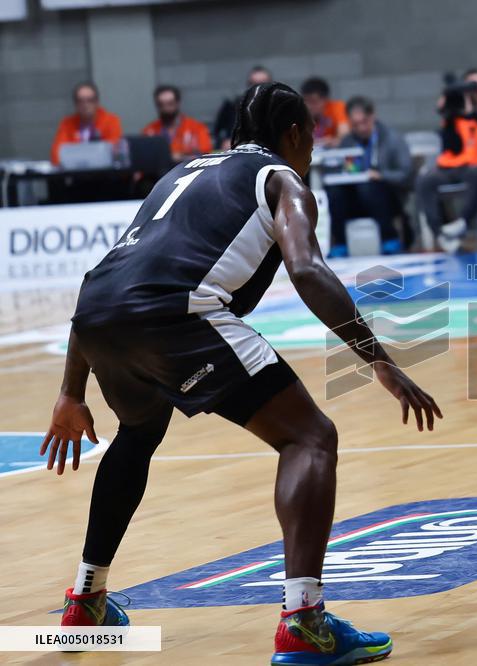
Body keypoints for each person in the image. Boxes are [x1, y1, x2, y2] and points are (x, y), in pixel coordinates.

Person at [42, 82, 442, 665]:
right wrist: (379, 360)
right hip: (175, 313)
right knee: (310, 436)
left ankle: (86, 602)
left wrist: (69, 391)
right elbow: (308, 272)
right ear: (296, 135)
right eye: (309, 140)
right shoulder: (283, 178)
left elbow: (108, 278)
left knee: (139, 432)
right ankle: (304, 620)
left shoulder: (179, 174)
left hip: (99, 316)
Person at [415, 69, 477, 253]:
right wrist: (449, 106)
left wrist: (475, 115)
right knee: (425, 179)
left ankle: (463, 222)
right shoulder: (455, 118)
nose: (476, 90)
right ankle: (440, 234)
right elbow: (452, 145)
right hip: (452, 167)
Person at [326, 96, 414, 258]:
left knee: (368, 186)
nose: (361, 128)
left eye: (364, 122)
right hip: (357, 198)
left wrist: (381, 176)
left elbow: (405, 174)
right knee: (334, 192)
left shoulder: (392, 139)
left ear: (373, 116)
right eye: (355, 124)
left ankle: (390, 238)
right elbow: (344, 169)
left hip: (389, 196)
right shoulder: (348, 141)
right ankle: (340, 243)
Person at [50, 82, 123, 165]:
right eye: (80, 101)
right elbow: (56, 155)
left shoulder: (111, 121)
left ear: (97, 102)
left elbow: (112, 152)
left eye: (89, 100)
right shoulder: (67, 123)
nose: (85, 105)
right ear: (75, 104)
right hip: (75, 173)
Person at [142, 85, 212, 163]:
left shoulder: (197, 128)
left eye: (170, 104)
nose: (166, 109)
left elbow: (206, 156)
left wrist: (180, 157)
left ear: (178, 103)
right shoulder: (150, 131)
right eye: (161, 105)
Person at [213, 65, 272, 150]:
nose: (259, 88)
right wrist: (224, 141)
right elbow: (218, 133)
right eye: (254, 84)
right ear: (248, 85)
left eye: (263, 83)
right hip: (239, 152)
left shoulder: (279, 107)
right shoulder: (232, 107)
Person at [302, 77, 349, 148]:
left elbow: (344, 135)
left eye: (313, 101)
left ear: (325, 99)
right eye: (306, 101)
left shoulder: (337, 108)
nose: (309, 106)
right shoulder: (301, 111)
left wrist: (333, 141)